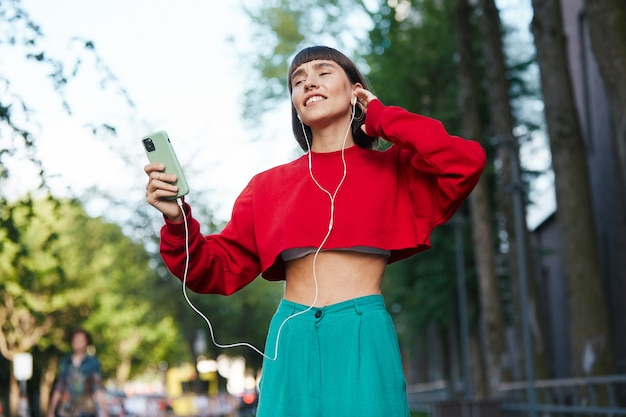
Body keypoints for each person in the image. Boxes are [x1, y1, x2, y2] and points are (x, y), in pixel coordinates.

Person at [144, 45, 486, 416]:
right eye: (298, 80)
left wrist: (382, 117)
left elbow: (465, 161)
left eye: (323, 73)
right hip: (291, 337)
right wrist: (176, 220)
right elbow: (209, 267)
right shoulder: (268, 186)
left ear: (356, 90)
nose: (309, 83)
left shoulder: (396, 170)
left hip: (362, 335)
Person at [47, 328, 109, 417]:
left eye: (81, 340)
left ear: (87, 342)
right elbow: (59, 387)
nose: (78, 343)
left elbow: (98, 390)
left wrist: (105, 413)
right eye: (75, 340)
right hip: (66, 410)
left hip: (86, 411)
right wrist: (51, 411)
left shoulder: (93, 363)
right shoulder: (65, 362)